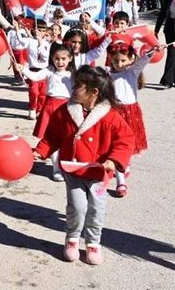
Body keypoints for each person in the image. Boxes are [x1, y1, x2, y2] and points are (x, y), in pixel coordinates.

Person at [33, 66, 134, 266]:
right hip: (74, 171)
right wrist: (40, 151)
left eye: (78, 86)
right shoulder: (65, 111)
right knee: (77, 207)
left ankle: (93, 243)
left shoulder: (111, 115)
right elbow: (52, 136)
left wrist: (113, 160)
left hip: (99, 173)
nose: (73, 88)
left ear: (94, 92)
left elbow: (125, 140)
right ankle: (72, 238)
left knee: (96, 208)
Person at [106, 38, 164, 197]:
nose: (119, 64)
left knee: (128, 145)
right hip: (114, 113)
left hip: (130, 114)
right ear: (110, 58)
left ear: (131, 59)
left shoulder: (132, 71)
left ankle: (125, 163)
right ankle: (121, 182)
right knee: (115, 145)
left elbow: (143, 60)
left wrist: (153, 50)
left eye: (123, 60)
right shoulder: (107, 73)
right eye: (115, 60)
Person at [15, 43, 75, 181]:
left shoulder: (73, 74)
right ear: (52, 58)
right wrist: (23, 69)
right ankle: (56, 169)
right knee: (52, 140)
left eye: (63, 59)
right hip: (51, 108)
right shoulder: (49, 71)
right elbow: (35, 76)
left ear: (70, 58)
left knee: (68, 140)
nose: (60, 62)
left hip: (68, 108)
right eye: (57, 58)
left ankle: (67, 166)